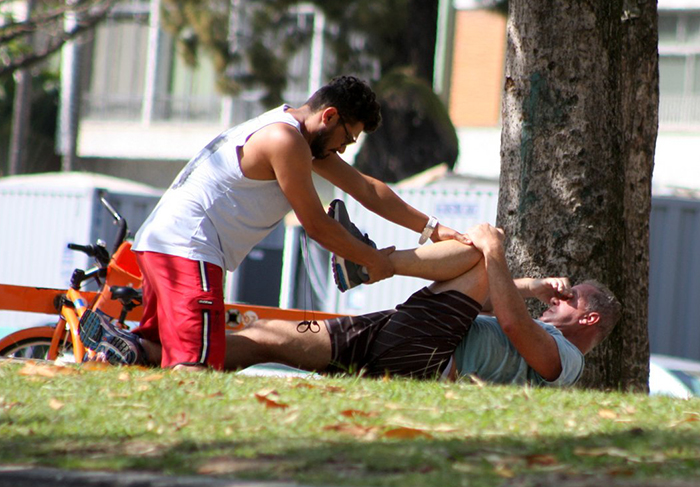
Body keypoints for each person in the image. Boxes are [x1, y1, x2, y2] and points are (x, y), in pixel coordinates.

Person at [102, 75, 467, 372]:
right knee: (196, 367)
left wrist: (432, 228)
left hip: (166, 246)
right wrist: (374, 261)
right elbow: (317, 226)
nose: (344, 149)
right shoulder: (285, 140)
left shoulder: (297, 136)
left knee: (158, 354)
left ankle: (126, 346)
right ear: (330, 117)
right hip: (187, 248)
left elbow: (366, 188)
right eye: (347, 138)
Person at [79, 223, 621, 387]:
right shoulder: (539, 322)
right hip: (400, 335)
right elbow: (499, 303)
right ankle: (149, 354)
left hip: (432, 355)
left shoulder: (564, 360)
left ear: (589, 318)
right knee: (275, 334)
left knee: (477, 255)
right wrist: (526, 285)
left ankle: (371, 263)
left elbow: (503, 314)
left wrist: (500, 256)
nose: (556, 306)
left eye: (566, 301)